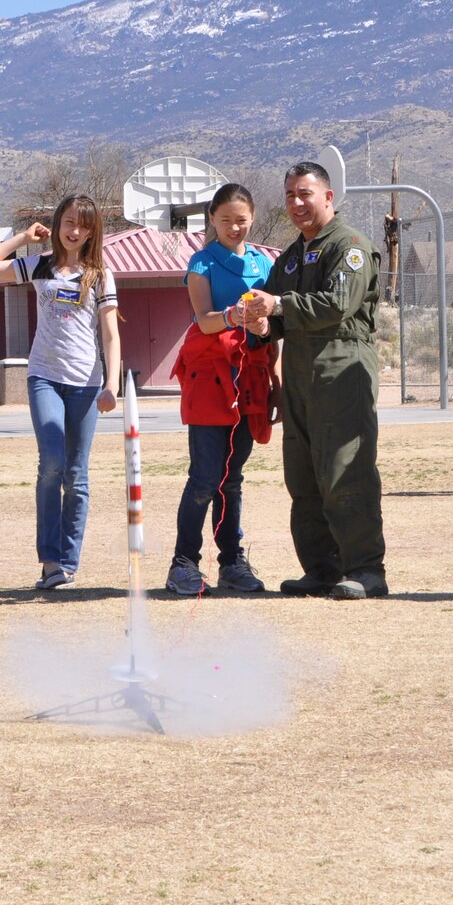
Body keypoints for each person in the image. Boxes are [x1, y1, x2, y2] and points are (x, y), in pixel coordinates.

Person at [239, 163, 386, 600]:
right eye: (289, 195)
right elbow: (274, 312)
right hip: (300, 372)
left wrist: (278, 306)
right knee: (303, 476)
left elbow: (338, 303)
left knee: (346, 470)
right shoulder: (290, 256)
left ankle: (365, 570)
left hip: (341, 367)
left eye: (304, 193)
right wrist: (263, 324)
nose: (296, 203)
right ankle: (321, 569)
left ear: (328, 197)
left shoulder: (351, 246)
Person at [0, 195, 124, 588]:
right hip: (44, 378)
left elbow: (110, 332)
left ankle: (68, 562)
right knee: (52, 463)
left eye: (84, 225)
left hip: (86, 385)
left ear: (93, 232)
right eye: (68, 222)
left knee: (77, 475)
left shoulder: (100, 275)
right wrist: (22, 238)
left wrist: (112, 384)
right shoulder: (40, 266)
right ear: (56, 225)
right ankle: (50, 561)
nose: (75, 231)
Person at [167, 183, 277, 596]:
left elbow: (272, 331)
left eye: (242, 219)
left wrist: (267, 336)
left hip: (251, 378)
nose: (234, 227)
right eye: (226, 219)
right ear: (212, 219)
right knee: (204, 478)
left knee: (232, 479)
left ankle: (231, 561)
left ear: (252, 218)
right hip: (210, 379)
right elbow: (203, 320)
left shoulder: (262, 263)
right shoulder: (202, 263)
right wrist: (233, 315)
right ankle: (183, 564)